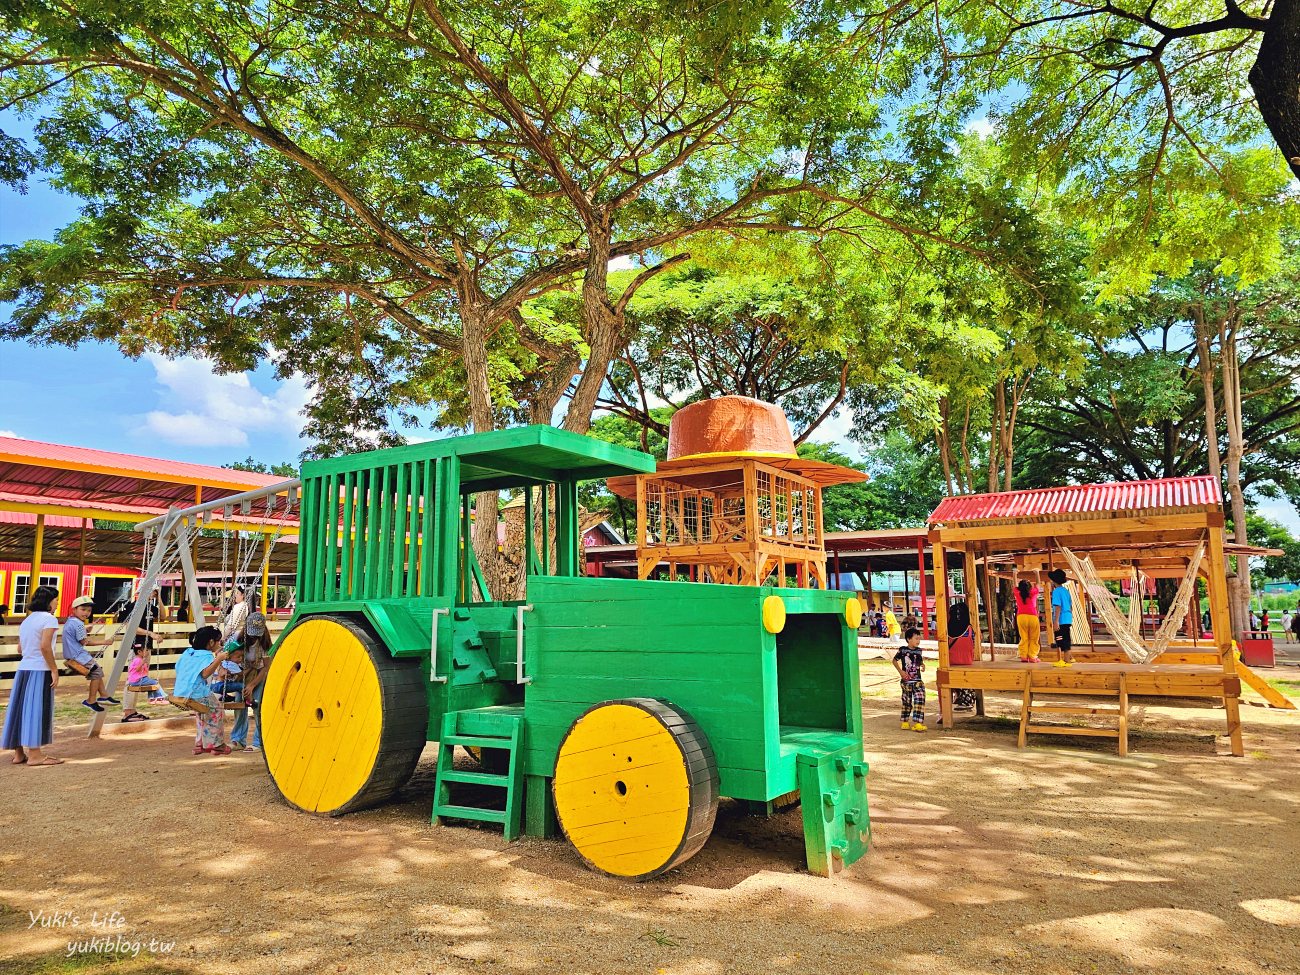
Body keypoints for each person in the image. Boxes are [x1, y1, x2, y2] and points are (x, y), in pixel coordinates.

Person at [1, 585, 63, 766]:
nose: (57, 603)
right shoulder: (49, 620)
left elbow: (20, 648)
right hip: (40, 669)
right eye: (56, 599)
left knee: (19, 709)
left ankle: (19, 753)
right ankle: (35, 755)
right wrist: (54, 669)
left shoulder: (27, 620)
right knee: (37, 708)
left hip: (24, 669)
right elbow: (45, 647)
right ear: (49, 601)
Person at [172, 626, 232, 755]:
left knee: (201, 713)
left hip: (182, 691)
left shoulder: (188, 652)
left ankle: (200, 744)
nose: (220, 644)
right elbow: (205, 674)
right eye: (218, 641)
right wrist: (219, 659)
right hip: (198, 693)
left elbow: (178, 667)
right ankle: (217, 744)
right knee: (217, 712)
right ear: (211, 642)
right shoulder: (206, 655)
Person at [61, 595, 119, 712]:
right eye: (83, 609)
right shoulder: (78, 624)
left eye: (89, 610)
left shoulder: (71, 621)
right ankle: (91, 700)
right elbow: (85, 642)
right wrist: (104, 642)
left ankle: (104, 695)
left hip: (72, 653)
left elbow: (75, 634)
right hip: (78, 654)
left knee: (97, 671)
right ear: (74, 609)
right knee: (97, 672)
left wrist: (85, 630)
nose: (86, 613)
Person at [234, 610, 272, 752]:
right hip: (244, 675)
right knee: (239, 705)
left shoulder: (265, 645)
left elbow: (266, 669)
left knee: (257, 707)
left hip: (259, 677)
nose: (254, 636)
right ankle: (238, 739)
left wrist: (251, 685)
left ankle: (258, 741)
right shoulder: (240, 641)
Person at [121, 644, 169, 723]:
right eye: (146, 650)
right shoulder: (137, 660)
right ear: (139, 652)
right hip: (137, 680)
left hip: (140, 679)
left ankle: (152, 698)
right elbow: (137, 669)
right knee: (155, 683)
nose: (147, 652)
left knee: (151, 685)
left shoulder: (139, 659)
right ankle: (162, 697)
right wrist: (142, 663)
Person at [892, 627, 926, 732]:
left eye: (919, 639)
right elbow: (894, 660)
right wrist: (901, 672)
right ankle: (905, 721)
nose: (918, 641)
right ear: (908, 639)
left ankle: (918, 723)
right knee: (907, 702)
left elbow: (919, 661)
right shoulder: (902, 650)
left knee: (920, 699)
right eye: (916, 639)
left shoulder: (919, 651)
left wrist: (922, 665)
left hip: (917, 681)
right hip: (906, 681)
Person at [1014, 573, 1042, 663]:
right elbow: (1038, 584)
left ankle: (1024, 656)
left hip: (1021, 617)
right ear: (1029, 587)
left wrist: (1015, 573)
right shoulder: (1033, 592)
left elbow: (1015, 584)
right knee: (1034, 637)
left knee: (1024, 637)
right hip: (1032, 616)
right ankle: (1033, 656)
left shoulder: (1018, 593)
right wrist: (1037, 572)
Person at [1049, 569, 1074, 666]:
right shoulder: (1065, 591)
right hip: (1067, 617)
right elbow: (1071, 606)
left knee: (1060, 638)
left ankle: (1066, 660)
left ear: (1054, 581)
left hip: (1061, 618)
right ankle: (1069, 657)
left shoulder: (1056, 592)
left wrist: (1056, 621)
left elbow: (1057, 606)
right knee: (1066, 637)